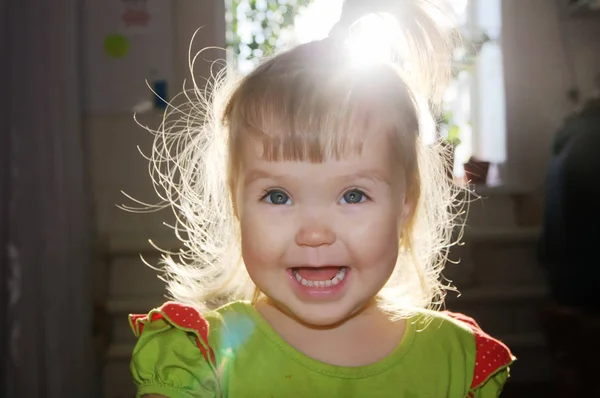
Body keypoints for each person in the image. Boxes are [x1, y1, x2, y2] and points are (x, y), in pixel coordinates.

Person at [128, 1, 515, 396]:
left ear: (406, 206)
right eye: (277, 196)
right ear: (236, 205)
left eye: (352, 195)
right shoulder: (197, 355)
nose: (314, 234)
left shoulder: (458, 361)